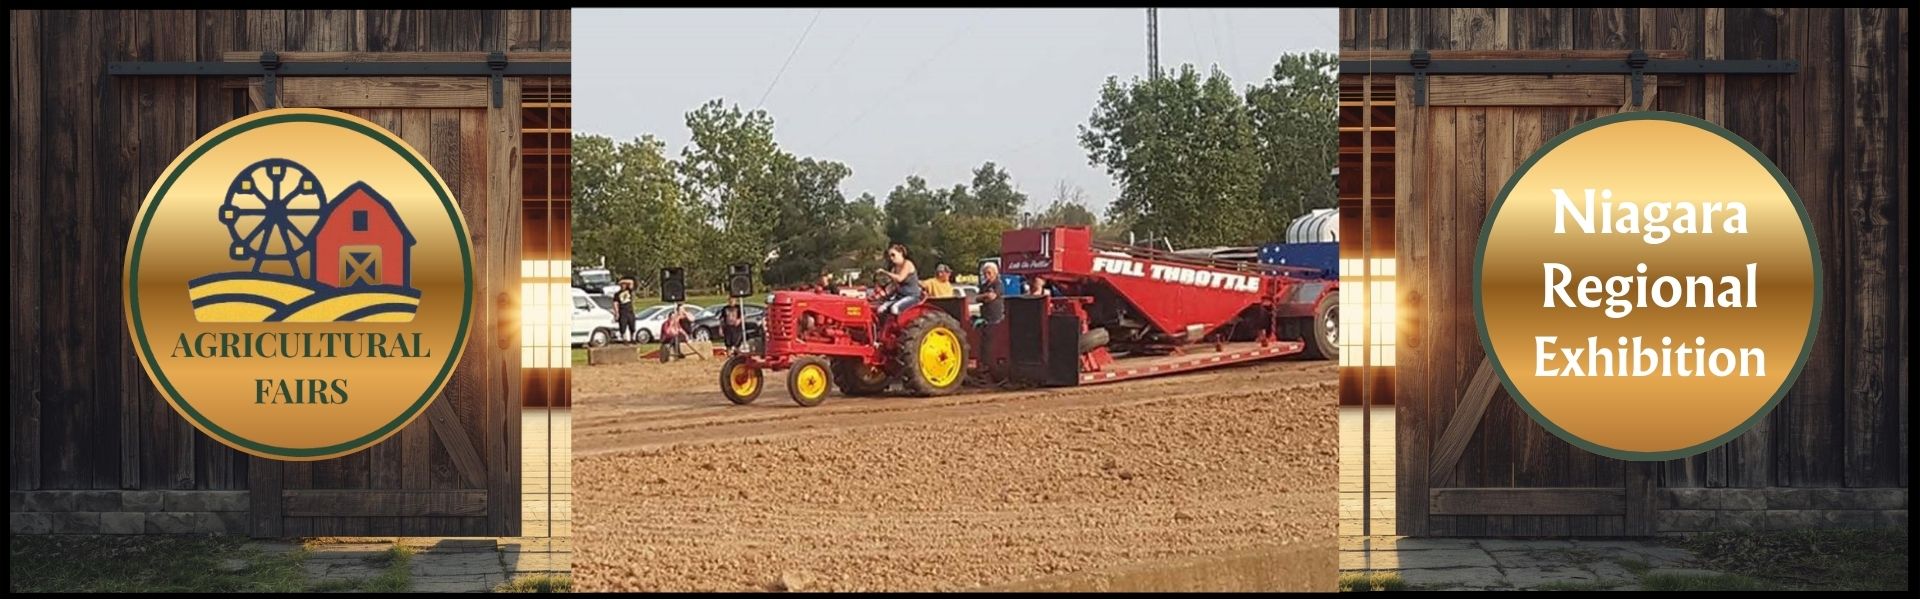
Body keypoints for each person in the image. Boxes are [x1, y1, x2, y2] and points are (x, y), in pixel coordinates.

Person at [875, 243, 923, 320]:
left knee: (895, 308)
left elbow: (900, 278)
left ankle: (898, 329)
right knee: (880, 309)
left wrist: (885, 272)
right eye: (890, 256)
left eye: (893, 255)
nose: (891, 258)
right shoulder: (894, 269)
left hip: (911, 296)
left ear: (900, 253)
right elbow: (893, 285)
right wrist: (882, 294)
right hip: (899, 297)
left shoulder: (908, 264)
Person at [614, 277, 637, 343]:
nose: (623, 285)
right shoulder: (617, 294)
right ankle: (624, 339)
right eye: (622, 285)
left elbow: (631, 281)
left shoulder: (629, 290)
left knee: (632, 326)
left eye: (624, 284)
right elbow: (615, 303)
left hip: (630, 311)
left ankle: (632, 338)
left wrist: (621, 281)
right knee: (623, 326)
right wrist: (616, 313)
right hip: (622, 312)